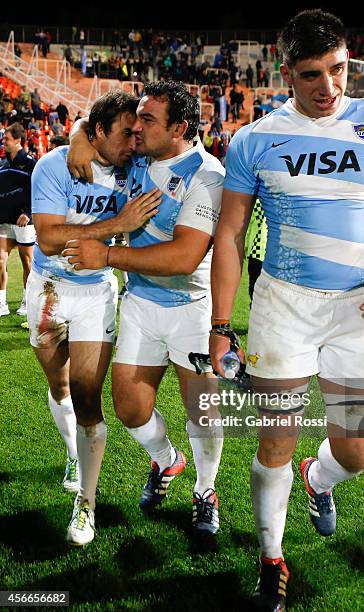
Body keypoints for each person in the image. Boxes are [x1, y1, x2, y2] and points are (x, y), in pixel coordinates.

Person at [209, 9, 364, 611]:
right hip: (284, 306)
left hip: (358, 308)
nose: (328, 87)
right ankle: (271, 558)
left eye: (337, 69)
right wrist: (221, 324)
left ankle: (318, 478)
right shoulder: (254, 138)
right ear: (286, 73)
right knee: (275, 438)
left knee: (356, 452)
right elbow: (228, 235)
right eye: (312, 75)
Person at [64, 81, 225, 538]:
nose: (136, 126)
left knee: (203, 412)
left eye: (148, 120)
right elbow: (92, 131)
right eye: (137, 117)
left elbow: (184, 256)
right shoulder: (137, 155)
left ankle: (205, 491)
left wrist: (109, 255)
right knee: (131, 409)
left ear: (179, 128)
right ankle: (167, 460)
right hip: (140, 302)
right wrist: (79, 134)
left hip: (192, 309)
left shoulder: (206, 176)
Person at [28, 90, 160, 546]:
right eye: (126, 133)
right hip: (46, 290)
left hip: (95, 293)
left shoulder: (135, 167)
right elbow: (46, 239)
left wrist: (83, 132)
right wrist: (115, 225)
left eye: (137, 133)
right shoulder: (54, 165)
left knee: (87, 396)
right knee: (58, 385)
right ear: (100, 131)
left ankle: (86, 502)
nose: (134, 141)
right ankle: (72, 455)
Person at [0, 123, 36, 317]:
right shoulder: (3, 162)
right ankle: (1, 303)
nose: (3, 142)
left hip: (24, 220)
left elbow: (38, 189)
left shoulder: (31, 162)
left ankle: (27, 299)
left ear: (18, 140)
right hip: (4, 220)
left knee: (27, 261)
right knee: (0, 259)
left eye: (7, 139)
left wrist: (29, 213)